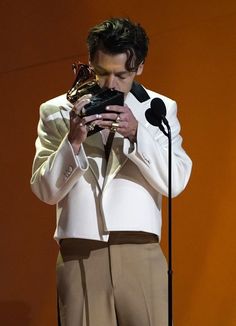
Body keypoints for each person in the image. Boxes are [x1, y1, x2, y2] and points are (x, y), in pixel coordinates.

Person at [31, 17, 192, 326]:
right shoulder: (56, 111)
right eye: (103, 72)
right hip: (80, 253)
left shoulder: (158, 109)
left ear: (139, 67)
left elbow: (176, 181)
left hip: (141, 252)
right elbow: (44, 190)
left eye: (122, 74)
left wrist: (137, 134)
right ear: (91, 62)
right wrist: (73, 141)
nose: (111, 84)